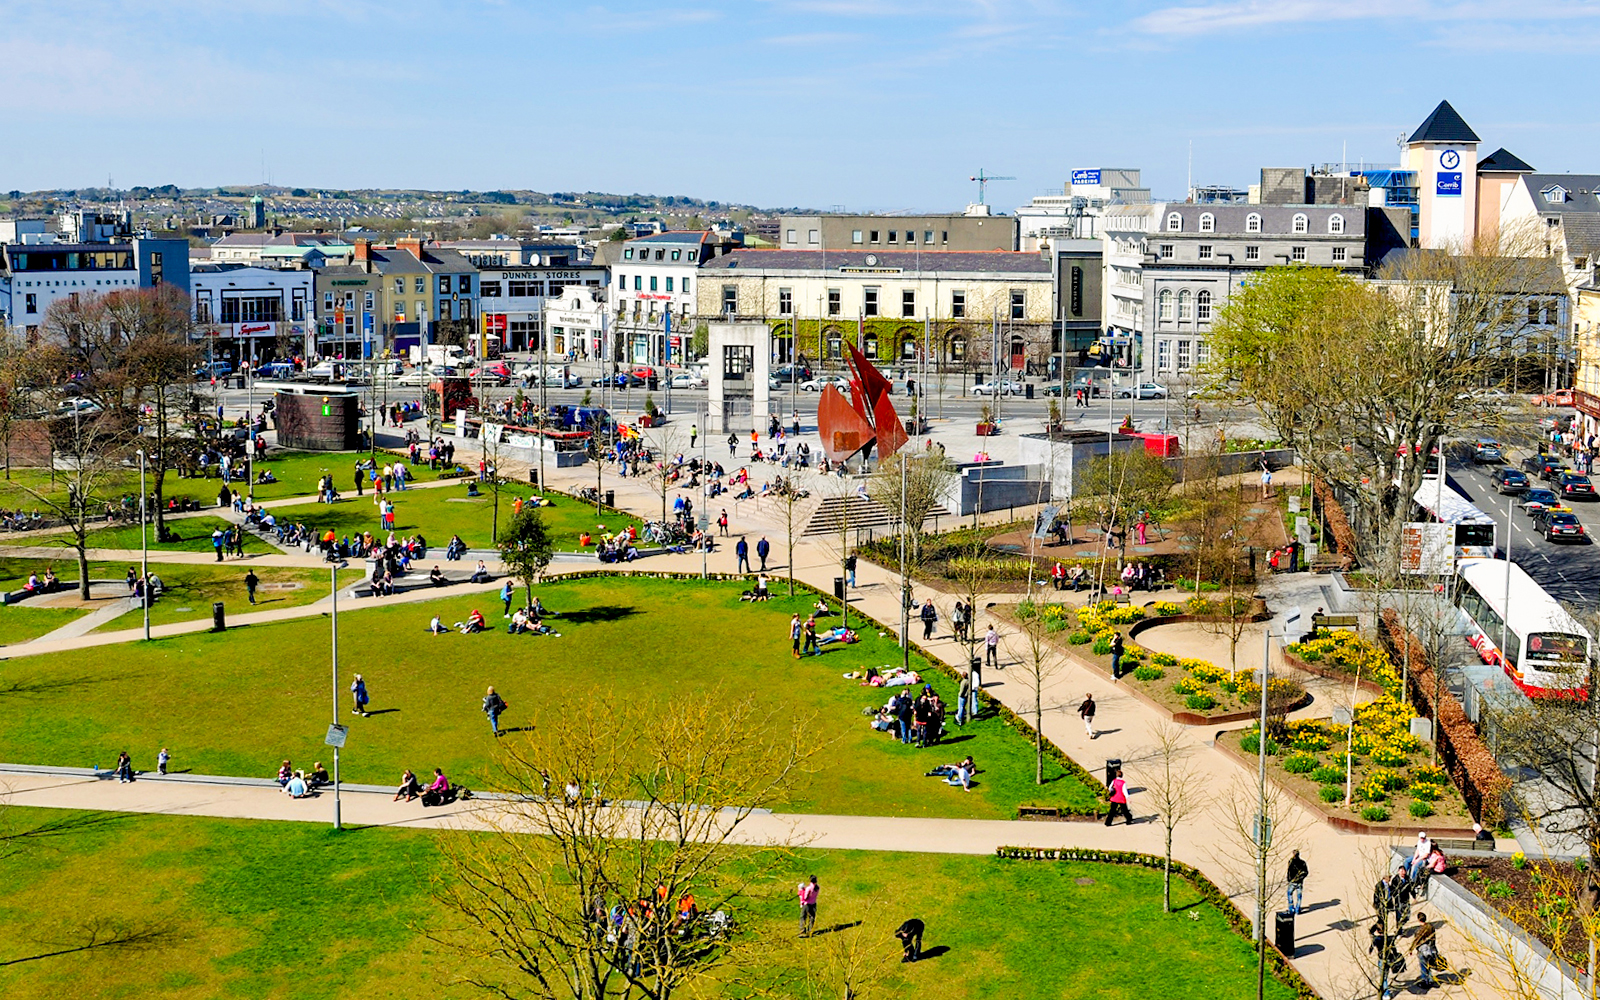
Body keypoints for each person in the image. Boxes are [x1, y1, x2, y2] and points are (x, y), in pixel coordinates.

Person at [1409, 912, 1440, 990]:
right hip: (1431, 949)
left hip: (1422, 950)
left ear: (1418, 919)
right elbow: (1433, 938)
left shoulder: (1419, 930)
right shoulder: (1431, 927)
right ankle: (1430, 979)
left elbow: (1416, 940)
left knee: (1423, 966)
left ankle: (1425, 981)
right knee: (1428, 964)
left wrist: (1411, 949)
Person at [1287, 849, 1309, 915]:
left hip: (1292, 882)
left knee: (1289, 894)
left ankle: (1291, 909)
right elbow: (1306, 872)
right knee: (1299, 896)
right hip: (1299, 882)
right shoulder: (1303, 862)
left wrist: (1289, 879)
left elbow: (1289, 871)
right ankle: (1297, 909)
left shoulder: (1291, 861)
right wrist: (1301, 878)